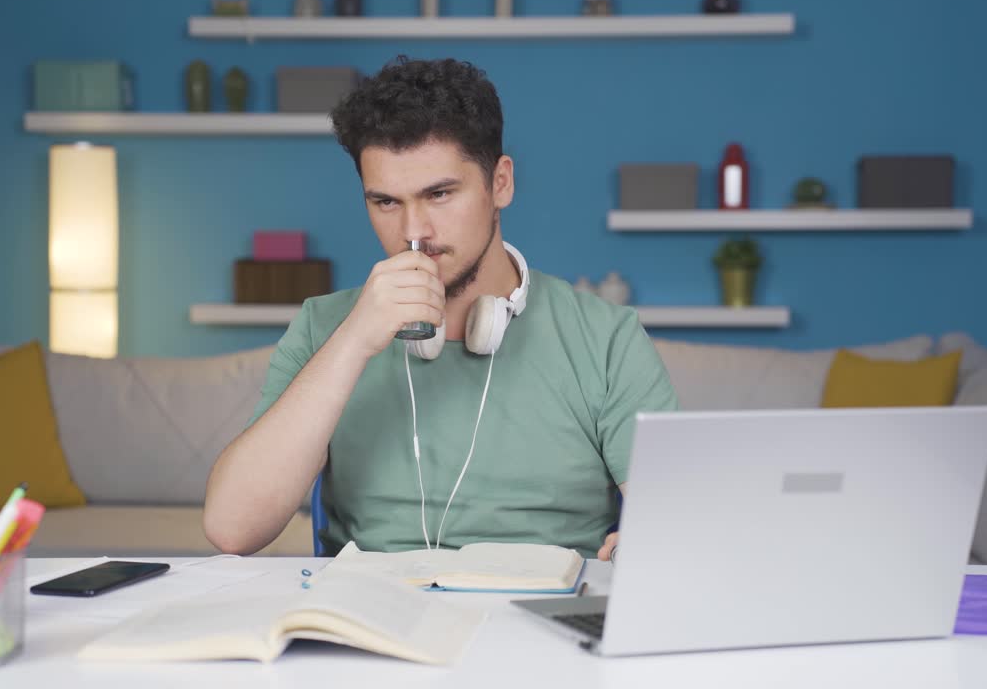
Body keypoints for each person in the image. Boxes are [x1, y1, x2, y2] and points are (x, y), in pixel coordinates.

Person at [204, 57, 676, 559]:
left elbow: (679, 523)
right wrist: (354, 340)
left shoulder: (606, 338)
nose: (413, 231)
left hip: (542, 618)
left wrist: (653, 545)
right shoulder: (324, 327)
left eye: (440, 194)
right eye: (385, 202)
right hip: (370, 619)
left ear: (501, 183)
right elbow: (234, 530)